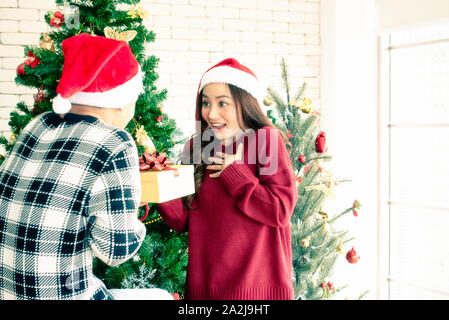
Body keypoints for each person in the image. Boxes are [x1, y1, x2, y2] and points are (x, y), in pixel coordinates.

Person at [0, 33, 171, 300]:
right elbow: (116, 250)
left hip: (7, 290)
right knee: (159, 297)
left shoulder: (38, 125)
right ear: (122, 102)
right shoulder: (115, 142)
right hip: (62, 295)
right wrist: (132, 210)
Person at [157, 58, 298, 300]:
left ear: (245, 103)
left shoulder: (266, 140)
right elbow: (183, 220)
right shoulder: (196, 146)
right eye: (205, 103)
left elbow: (280, 210)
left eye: (223, 103)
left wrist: (236, 174)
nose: (211, 113)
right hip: (205, 292)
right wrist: (159, 184)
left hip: (257, 293)